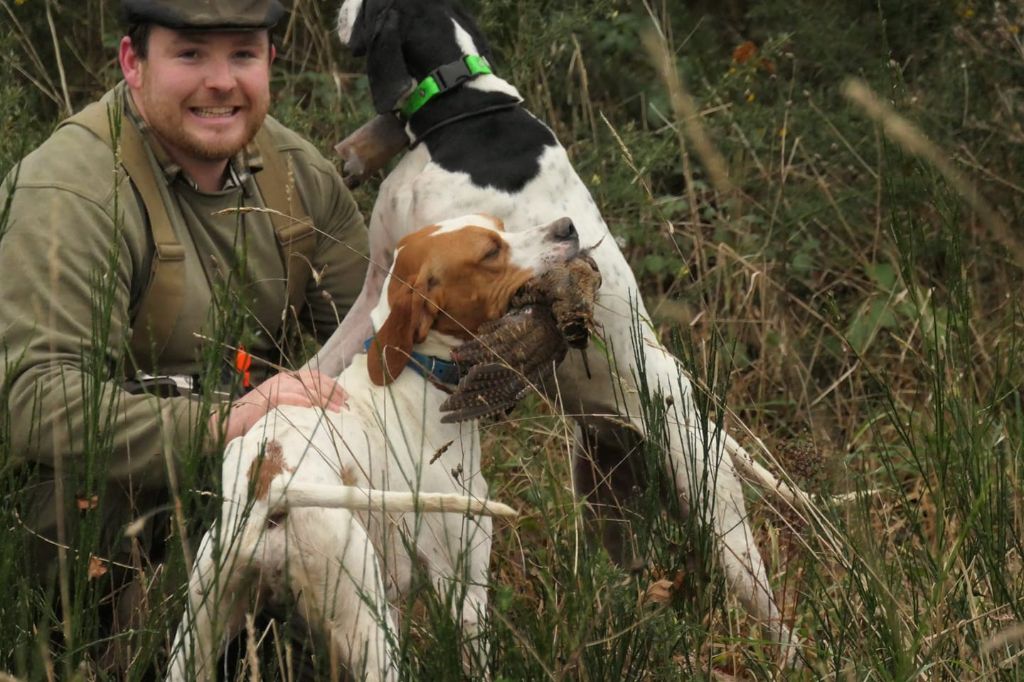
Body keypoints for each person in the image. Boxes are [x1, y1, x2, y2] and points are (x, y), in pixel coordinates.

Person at [0, 0, 368, 669]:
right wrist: (230, 423)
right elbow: (38, 405)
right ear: (132, 62)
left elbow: (372, 346)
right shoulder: (73, 189)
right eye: (191, 54)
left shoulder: (295, 172)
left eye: (242, 54)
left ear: (270, 62)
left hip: (260, 497)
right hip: (99, 533)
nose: (222, 81)